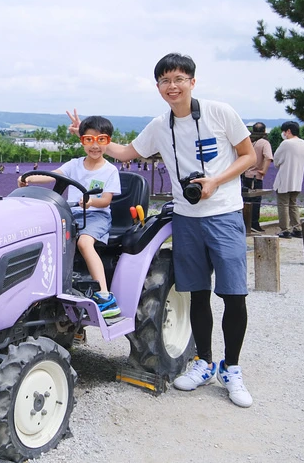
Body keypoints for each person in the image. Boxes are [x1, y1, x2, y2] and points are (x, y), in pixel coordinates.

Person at [67, 53, 256, 408]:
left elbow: (249, 157)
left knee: (233, 294)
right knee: (196, 292)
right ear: (158, 87)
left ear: (192, 82)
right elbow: (124, 153)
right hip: (185, 216)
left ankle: (231, 368)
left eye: (179, 79)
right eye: (165, 81)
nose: (172, 86)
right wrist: (89, 136)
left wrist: (215, 181)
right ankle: (202, 362)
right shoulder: (159, 126)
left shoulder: (220, 113)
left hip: (224, 213)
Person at [19, 115, 122, 319]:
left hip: (96, 216)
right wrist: (29, 178)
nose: (95, 146)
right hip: (72, 213)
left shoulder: (110, 171)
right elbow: (51, 175)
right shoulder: (74, 165)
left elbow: (106, 201)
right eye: (89, 140)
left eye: (101, 140)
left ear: (107, 141)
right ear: (82, 140)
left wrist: (92, 202)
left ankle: (104, 294)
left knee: (84, 242)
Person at [273, 122, 304, 239]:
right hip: (297, 179)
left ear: (288, 131)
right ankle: (297, 228)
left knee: (283, 204)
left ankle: (285, 230)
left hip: (284, 178)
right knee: (293, 204)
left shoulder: (286, 143)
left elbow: (276, 160)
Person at [242, 122, 273, 233]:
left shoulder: (250, 141)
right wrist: (263, 171)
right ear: (264, 131)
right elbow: (268, 157)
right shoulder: (264, 142)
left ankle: (245, 224)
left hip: (246, 175)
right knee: (255, 201)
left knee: (246, 201)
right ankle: (254, 224)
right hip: (256, 177)